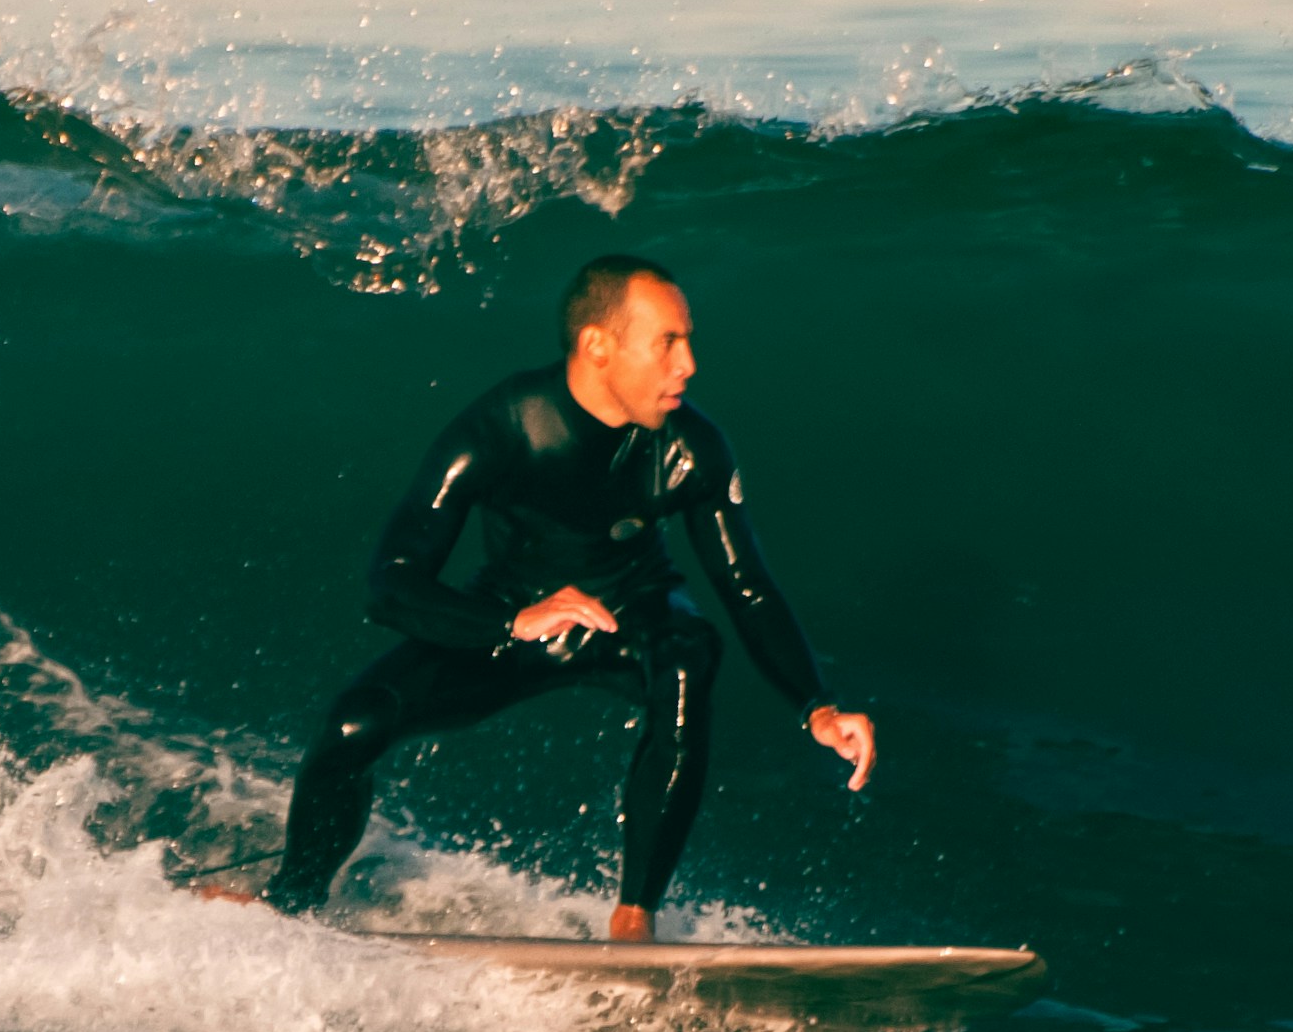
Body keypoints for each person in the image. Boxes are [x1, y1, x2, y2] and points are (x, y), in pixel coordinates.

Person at [259, 254, 875, 939]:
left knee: (688, 652)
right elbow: (392, 581)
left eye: (688, 340)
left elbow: (747, 587)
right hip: (514, 616)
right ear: (598, 346)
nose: (689, 363)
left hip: (632, 613)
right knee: (354, 726)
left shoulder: (692, 448)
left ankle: (635, 917)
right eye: (668, 342)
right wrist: (513, 621)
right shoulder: (505, 425)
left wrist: (816, 706)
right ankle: (292, 899)